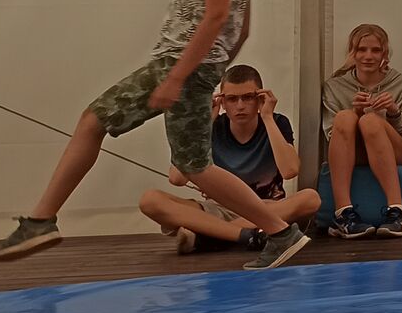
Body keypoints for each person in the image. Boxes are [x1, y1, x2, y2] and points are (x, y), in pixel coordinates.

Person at [0, 0, 311, 271]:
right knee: (195, 166)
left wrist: (177, 76)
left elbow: (216, 16)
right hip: (197, 68)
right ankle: (281, 232)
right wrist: (211, 68)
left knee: (93, 120)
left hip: (177, 63)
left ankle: (41, 220)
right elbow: (241, 29)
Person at [137, 64, 320, 253]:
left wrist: (267, 117)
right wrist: (205, 124)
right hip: (218, 209)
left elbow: (290, 170)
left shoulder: (276, 122)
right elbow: (177, 178)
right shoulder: (212, 127)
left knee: (310, 198)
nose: (240, 106)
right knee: (150, 200)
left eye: (248, 97)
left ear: (260, 99)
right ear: (222, 102)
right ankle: (243, 235)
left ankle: (213, 235)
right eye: (232, 99)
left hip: (266, 208)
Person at [320, 24, 402, 239]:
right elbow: (332, 136)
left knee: (371, 122)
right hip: (354, 152)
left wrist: (393, 112)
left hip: (396, 151)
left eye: (375, 50)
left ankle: (397, 211)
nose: (368, 56)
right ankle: (343, 213)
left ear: (385, 54)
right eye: (361, 49)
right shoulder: (334, 86)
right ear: (352, 52)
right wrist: (355, 112)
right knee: (345, 117)